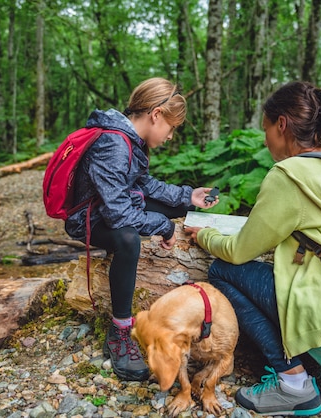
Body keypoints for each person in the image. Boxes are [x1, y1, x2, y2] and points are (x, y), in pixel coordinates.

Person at [184, 81, 321, 416]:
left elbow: (239, 252)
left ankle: (293, 383)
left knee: (222, 270)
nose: (265, 138)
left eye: (266, 127)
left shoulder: (289, 175)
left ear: (281, 124)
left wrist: (204, 236)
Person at [64, 77, 219, 382]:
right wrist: (162, 227)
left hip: (109, 207)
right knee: (127, 238)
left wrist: (188, 195)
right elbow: (119, 214)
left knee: (179, 208)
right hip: (87, 219)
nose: (171, 136)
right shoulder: (114, 144)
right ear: (156, 115)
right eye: (171, 127)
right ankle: (120, 331)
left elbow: (143, 185)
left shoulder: (131, 142)